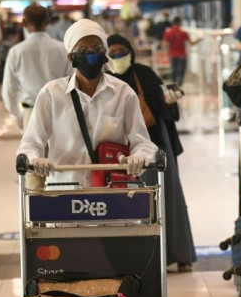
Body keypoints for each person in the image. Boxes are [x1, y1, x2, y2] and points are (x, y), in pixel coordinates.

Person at [16, 19, 158, 187]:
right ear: (71, 57)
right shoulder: (52, 94)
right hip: (65, 189)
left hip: (110, 191)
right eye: (83, 50)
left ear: (105, 53)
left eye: (96, 48)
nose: (91, 54)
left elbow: (142, 141)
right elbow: (31, 143)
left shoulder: (123, 93)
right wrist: (35, 160)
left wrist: (139, 157)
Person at [106, 34, 197, 273]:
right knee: (135, 205)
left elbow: (166, 110)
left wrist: (165, 99)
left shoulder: (144, 74)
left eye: (121, 51)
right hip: (122, 152)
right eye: (112, 53)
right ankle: (146, 258)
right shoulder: (108, 81)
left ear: (131, 52)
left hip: (156, 145)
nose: (118, 57)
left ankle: (179, 254)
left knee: (169, 199)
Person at [2, 3, 72, 130]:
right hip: (58, 112)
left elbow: (8, 89)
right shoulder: (62, 49)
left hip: (30, 113)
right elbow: (72, 83)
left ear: (23, 22)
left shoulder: (16, 52)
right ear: (48, 21)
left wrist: (17, 114)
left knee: (33, 149)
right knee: (58, 150)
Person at [162, 17, 201, 86]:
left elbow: (164, 44)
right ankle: (179, 85)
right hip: (182, 55)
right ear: (179, 23)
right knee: (181, 72)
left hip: (172, 54)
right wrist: (200, 39)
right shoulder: (183, 33)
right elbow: (192, 43)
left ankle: (173, 85)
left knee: (173, 70)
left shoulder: (168, 33)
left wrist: (166, 52)